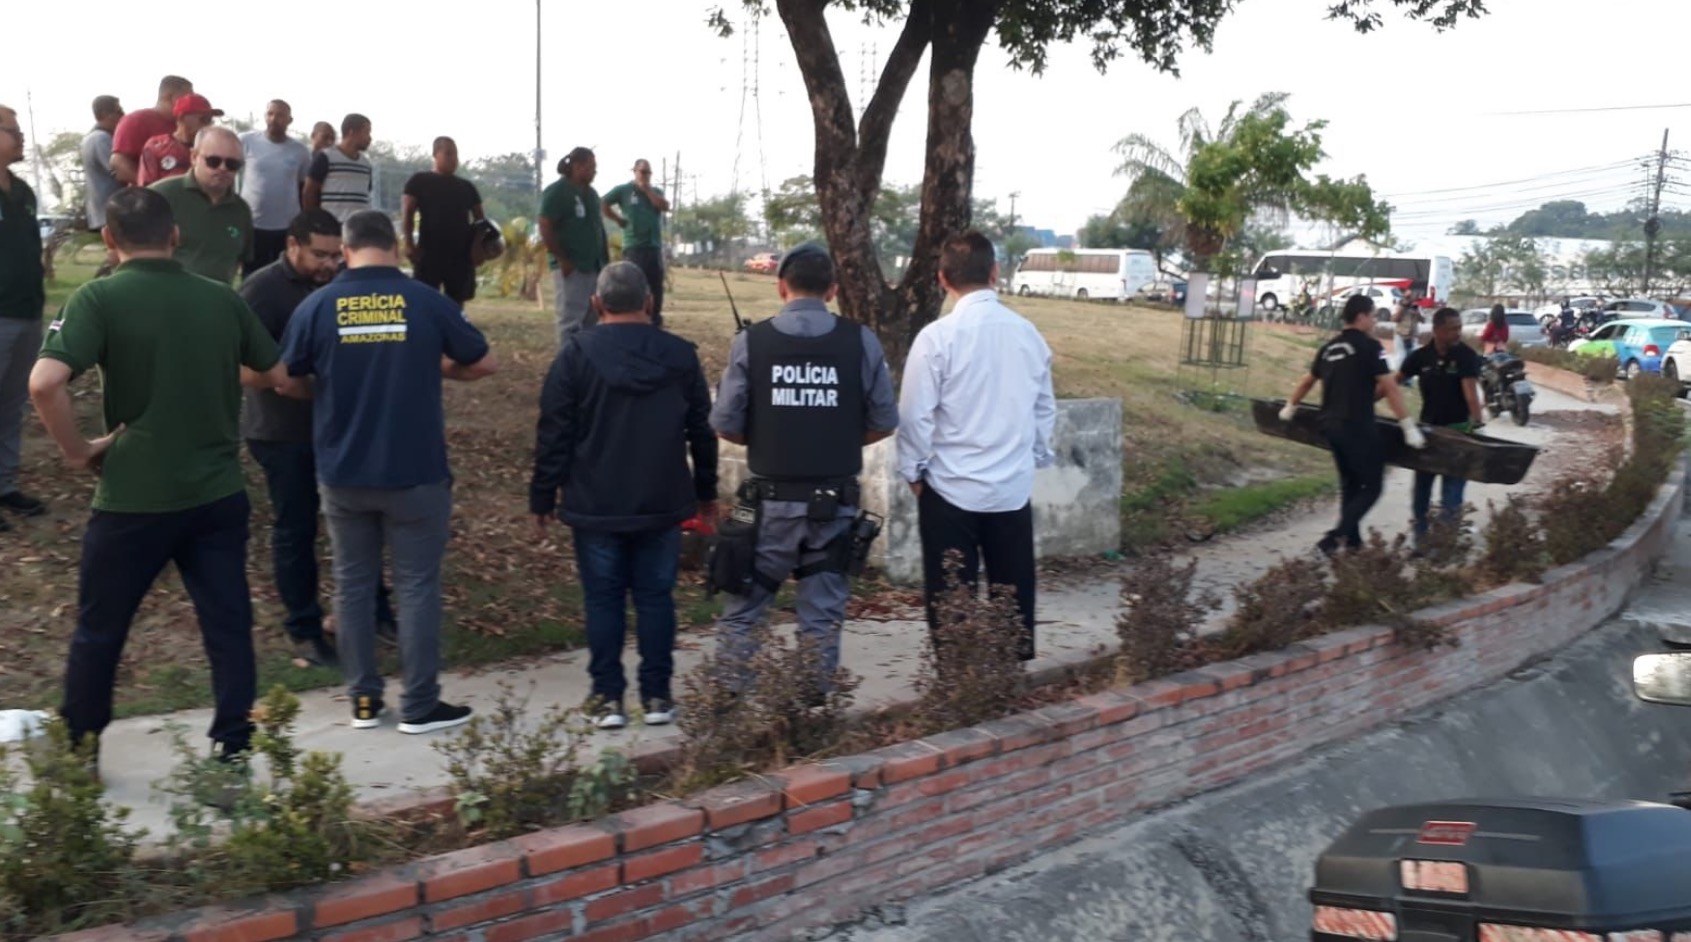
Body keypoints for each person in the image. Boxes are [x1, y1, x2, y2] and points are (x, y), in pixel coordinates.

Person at [30, 186, 287, 770]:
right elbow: (274, 372)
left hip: (133, 498)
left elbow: (44, 383)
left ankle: (80, 751)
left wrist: (78, 451)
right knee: (228, 624)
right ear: (175, 236)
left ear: (111, 239)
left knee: (102, 628)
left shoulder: (99, 298)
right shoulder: (221, 299)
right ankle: (233, 745)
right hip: (217, 494)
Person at [277, 210, 498, 735]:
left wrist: (326, 387)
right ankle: (420, 706)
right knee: (417, 586)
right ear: (396, 246)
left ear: (347, 251)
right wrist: (439, 367)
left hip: (343, 470)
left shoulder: (318, 305)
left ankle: (364, 702)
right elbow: (484, 361)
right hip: (415, 470)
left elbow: (286, 380)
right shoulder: (424, 300)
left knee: (352, 585)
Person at [530, 262, 717, 728]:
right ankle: (657, 696)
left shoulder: (575, 355)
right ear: (649, 303)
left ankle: (607, 697)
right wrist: (706, 493)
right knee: (656, 598)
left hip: (596, 502)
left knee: (603, 599)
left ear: (596, 304)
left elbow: (554, 433)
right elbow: (702, 431)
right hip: (662, 499)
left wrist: (542, 497)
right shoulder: (680, 356)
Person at [708, 242, 898, 689]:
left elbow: (725, 425)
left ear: (780, 288)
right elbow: (884, 422)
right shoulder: (861, 341)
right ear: (832, 290)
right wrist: (834, 438)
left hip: (768, 509)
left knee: (746, 610)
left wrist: (774, 434)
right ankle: (811, 714)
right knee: (822, 616)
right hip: (835, 508)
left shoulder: (751, 342)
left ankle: (728, 711)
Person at [241, 209, 398, 667]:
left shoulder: (344, 283)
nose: (330, 264)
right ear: (291, 245)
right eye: (319, 254)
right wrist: (300, 382)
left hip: (340, 429)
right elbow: (241, 366)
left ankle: (375, 609)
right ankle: (305, 626)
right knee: (297, 529)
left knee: (361, 521)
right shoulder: (262, 291)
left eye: (336, 254)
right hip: (281, 431)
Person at [896, 230, 1055, 662]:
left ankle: (958, 680)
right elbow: (1044, 409)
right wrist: (1034, 458)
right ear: (995, 273)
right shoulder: (1028, 334)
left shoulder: (936, 338)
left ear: (942, 278)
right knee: (1012, 590)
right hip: (1011, 487)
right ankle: (1007, 680)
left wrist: (913, 472)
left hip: (949, 488)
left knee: (951, 596)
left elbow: (914, 415)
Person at [1279, 294, 1426, 557]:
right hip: (1357, 425)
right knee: (1373, 486)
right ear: (1361, 317)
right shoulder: (1370, 346)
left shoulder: (1328, 348)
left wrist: (1290, 407)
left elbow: (1306, 381)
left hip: (1330, 427)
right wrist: (1408, 426)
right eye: (1372, 316)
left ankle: (1354, 543)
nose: (1374, 321)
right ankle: (1335, 538)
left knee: (1350, 484)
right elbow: (1390, 386)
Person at [1396, 306, 1487, 543]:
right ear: (1437, 330)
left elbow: (1471, 394)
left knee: (1452, 493)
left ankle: (1445, 544)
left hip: (1459, 433)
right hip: (1428, 433)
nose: (1457, 333)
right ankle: (1421, 539)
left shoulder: (1466, 356)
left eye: (1459, 328)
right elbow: (1393, 383)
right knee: (1421, 491)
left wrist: (1477, 426)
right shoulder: (1420, 357)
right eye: (1452, 329)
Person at [0, 105, 47, 530]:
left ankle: (6, 485)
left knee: (12, 404)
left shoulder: (24, 192)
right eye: (12, 131)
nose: (20, 138)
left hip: (27, 311)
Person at [149, 127, 252, 284]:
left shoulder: (241, 210)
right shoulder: (160, 196)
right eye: (213, 161)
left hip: (216, 304)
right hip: (164, 301)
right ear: (194, 157)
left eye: (232, 164)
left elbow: (242, 259)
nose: (222, 168)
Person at [402, 136, 485, 304]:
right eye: (448, 154)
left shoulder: (466, 187)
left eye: (455, 154)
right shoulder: (419, 181)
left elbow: (480, 220)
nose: (453, 159)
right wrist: (409, 244)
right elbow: (408, 213)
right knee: (425, 300)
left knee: (456, 303)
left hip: (460, 254)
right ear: (435, 154)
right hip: (428, 252)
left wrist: (477, 247)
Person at [539, 148, 609, 345]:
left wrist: (604, 260)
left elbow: (597, 227)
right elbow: (545, 225)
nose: (595, 172)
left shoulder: (593, 194)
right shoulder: (557, 192)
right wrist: (562, 259)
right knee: (570, 320)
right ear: (577, 167)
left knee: (592, 318)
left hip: (594, 265)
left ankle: (586, 361)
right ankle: (568, 364)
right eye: (591, 167)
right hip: (571, 266)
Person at [239, 100, 313, 275]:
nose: (274, 119)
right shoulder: (246, 141)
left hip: (286, 227)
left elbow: (304, 186)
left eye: (280, 115)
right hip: (253, 224)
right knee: (252, 275)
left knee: (285, 274)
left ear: (289, 120)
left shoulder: (300, 151)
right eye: (270, 114)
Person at [602, 159, 670, 327]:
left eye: (648, 172)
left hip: (653, 247)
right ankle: (632, 319)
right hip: (633, 248)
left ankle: (654, 319)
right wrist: (617, 219)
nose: (645, 175)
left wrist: (647, 191)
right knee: (633, 284)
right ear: (634, 171)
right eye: (642, 172)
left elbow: (664, 206)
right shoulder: (624, 190)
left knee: (655, 287)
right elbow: (603, 203)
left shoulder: (656, 190)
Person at [109, 75, 193, 186]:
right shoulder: (136, 120)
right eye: (186, 98)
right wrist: (151, 187)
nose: (190, 104)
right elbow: (118, 162)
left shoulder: (184, 124)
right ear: (168, 97)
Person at [137, 93, 222, 187]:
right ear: (181, 118)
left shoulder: (212, 149)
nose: (207, 125)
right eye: (204, 119)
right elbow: (146, 187)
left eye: (210, 120)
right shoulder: (156, 146)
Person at [303, 114, 373, 223]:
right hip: (332, 227)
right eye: (366, 132)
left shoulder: (366, 164)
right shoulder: (326, 157)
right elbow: (309, 192)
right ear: (351, 132)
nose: (369, 138)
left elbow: (365, 195)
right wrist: (314, 222)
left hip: (358, 229)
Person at [80, 96, 124, 232]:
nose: (123, 114)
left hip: (101, 213)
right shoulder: (101, 139)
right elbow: (119, 172)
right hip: (112, 210)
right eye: (119, 111)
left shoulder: (89, 138)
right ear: (106, 114)